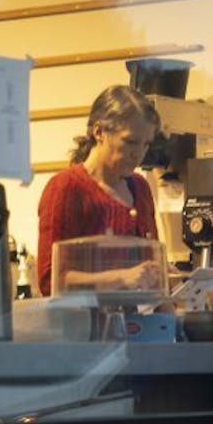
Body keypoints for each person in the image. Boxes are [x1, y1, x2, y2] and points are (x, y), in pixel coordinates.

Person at [37, 85, 163, 296]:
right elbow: (51, 281)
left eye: (146, 144)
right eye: (130, 142)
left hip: (140, 325)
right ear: (99, 132)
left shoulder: (140, 187)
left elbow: (151, 266)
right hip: (88, 326)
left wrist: (164, 278)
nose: (139, 154)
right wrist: (122, 277)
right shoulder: (66, 188)